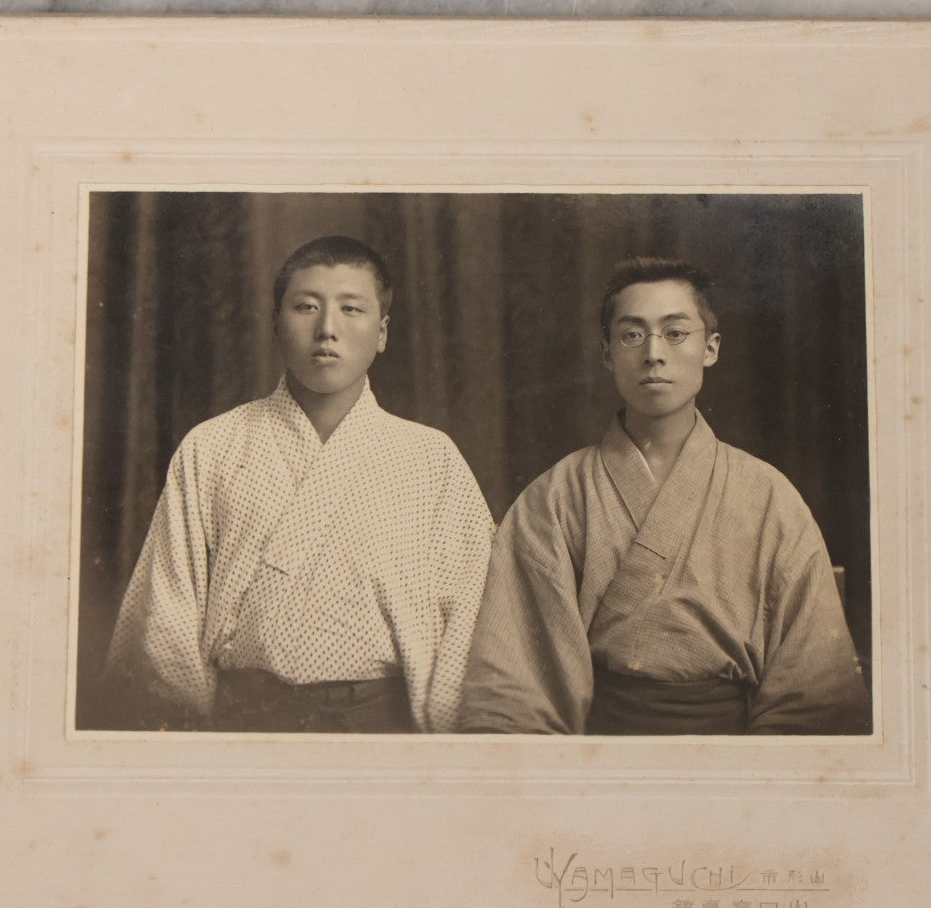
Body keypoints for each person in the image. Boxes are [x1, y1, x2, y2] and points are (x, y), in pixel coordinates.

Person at [458, 257, 870, 735]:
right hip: (597, 756)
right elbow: (517, 688)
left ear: (711, 348)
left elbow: (813, 691)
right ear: (608, 353)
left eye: (675, 333)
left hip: (736, 763)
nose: (653, 353)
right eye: (632, 334)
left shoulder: (769, 497)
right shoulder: (554, 497)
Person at [105, 235, 494, 733]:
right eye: (306, 307)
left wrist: (445, 741)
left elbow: (468, 619)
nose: (327, 329)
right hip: (244, 723)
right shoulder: (213, 446)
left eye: (352, 308)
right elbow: (167, 612)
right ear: (276, 324)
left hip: (380, 726)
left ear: (382, 332)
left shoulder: (430, 458)